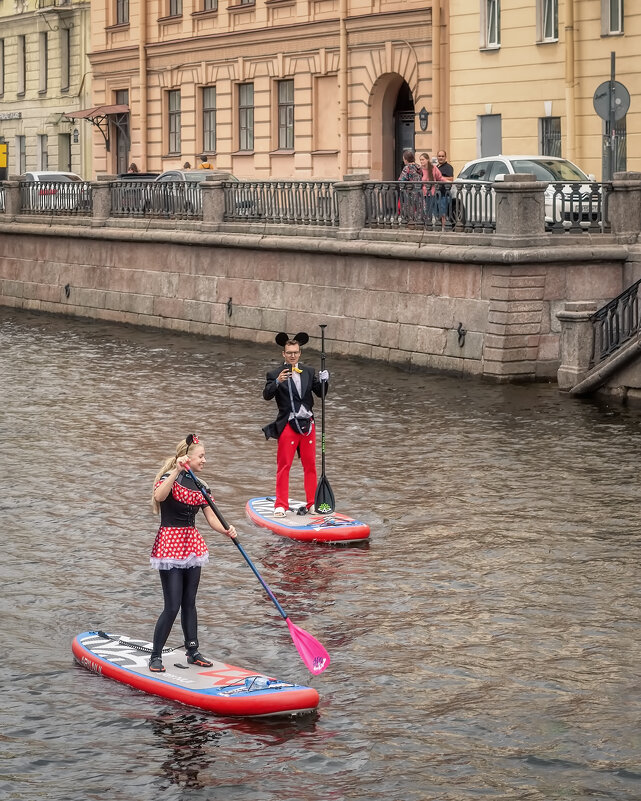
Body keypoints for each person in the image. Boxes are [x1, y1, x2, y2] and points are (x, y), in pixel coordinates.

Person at [148, 433, 236, 673]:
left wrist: (226, 531)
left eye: (204, 456)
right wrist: (176, 471)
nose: (205, 460)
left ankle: (193, 651)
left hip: (192, 544)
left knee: (190, 602)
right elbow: (158, 497)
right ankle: (155, 656)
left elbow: (211, 519)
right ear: (186, 458)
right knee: (172, 605)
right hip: (170, 544)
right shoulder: (169, 478)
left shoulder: (202, 486)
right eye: (201, 456)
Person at [262, 332, 329, 517]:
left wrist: (324, 380)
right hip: (288, 425)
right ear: (283, 354)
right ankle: (280, 505)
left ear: (300, 353)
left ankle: (312, 503)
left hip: (308, 425)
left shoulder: (308, 371)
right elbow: (267, 395)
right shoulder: (274, 373)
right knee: (284, 466)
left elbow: (321, 394)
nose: (293, 355)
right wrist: (277, 382)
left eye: (296, 352)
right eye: (289, 352)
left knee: (310, 466)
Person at [397, 149, 423, 222]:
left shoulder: (407, 167)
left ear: (406, 159)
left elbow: (401, 180)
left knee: (409, 215)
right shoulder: (418, 167)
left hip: (409, 194)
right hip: (418, 193)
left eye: (404, 159)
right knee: (417, 212)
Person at [419, 152, 443, 225]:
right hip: (424, 193)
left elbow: (440, 177)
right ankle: (428, 224)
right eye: (420, 160)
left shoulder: (433, 168)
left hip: (432, 193)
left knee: (434, 209)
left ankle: (437, 223)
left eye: (423, 159)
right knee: (426, 210)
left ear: (427, 160)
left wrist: (448, 181)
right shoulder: (419, 170)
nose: (421, 161)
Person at [436, 149, 454, 229]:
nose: (441, 158)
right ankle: (439, 228)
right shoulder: (436, 167)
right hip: (436, 193)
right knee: (437, 213)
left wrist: (440, 178)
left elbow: (451, 179)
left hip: (444, 194)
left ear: (445, 157)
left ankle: (444, 229)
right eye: (439, 156)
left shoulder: (448, 167)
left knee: (443, 213)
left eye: (442, 156)